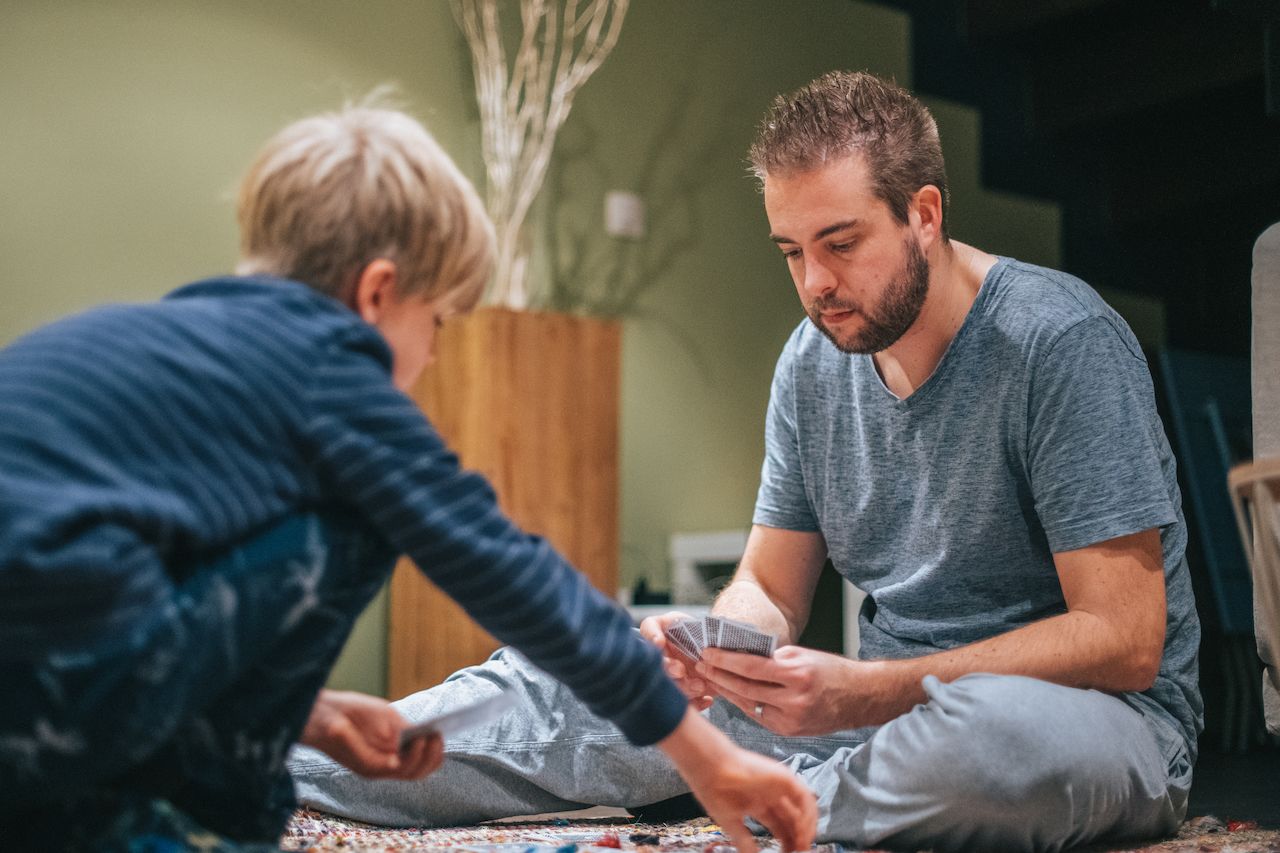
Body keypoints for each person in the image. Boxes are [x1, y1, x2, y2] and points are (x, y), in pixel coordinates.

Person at [290, 71, 1203, 853]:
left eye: (840, 244)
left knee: (986, 744)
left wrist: (872, 691)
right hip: (874, 722)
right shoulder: (814, 360)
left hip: (1090, 728)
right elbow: (769, 586)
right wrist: (713, 657)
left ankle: (764, 794)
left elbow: (1125, 638)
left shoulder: (1060, 339)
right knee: (585, 664)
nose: (814, 284)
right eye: (792, 252)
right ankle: (269, 757)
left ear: (924, 214)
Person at [0, 103, 817, 852]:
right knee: (354, 517)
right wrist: (704, 753)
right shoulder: (329, 370)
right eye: (436, 323)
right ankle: (216, 814)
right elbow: (508, 570)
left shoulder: (142, 343)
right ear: (377, 292)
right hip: (48, 702)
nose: (429, 358)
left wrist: (311, 716)